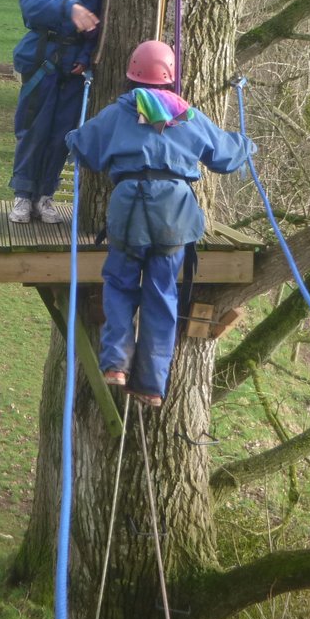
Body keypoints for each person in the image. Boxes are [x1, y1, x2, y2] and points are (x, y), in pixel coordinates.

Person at [65, 40, 255, 406]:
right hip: (174, 211)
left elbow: (84, 147)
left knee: (120, 282)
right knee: (162, 293)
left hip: (129, 207)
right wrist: (246, 145)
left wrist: (73, 135)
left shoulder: (118, 112)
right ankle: (152, 384)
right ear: (170, 78)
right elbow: (226, 156)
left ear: (132, 75)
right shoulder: (186, 115)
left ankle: (116, 364)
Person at [10, 0, 103, 224]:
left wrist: (86, 54)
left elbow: (96, 18)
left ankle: (45, 194)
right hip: (45, 58)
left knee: (63, 134)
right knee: (34, 129)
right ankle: (23, 195)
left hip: (74, 63)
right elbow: (31, 3)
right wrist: (67, 7)